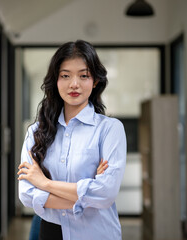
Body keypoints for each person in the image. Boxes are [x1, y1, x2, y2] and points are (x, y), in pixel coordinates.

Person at [17, 40, 127, 240]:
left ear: (94, 81)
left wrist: (45, 183)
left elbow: (106, 193)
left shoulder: (110, 130)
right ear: (56, 81)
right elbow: (25, 194)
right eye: (65, 75)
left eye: (83, 75)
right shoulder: (36, 132)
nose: (74, 84)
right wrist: (87, 195)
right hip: (50, 233)